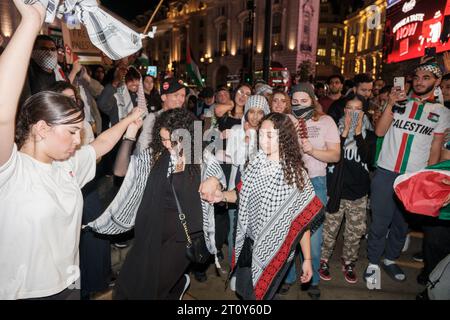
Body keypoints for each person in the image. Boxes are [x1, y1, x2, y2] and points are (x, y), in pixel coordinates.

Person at [0, 0, 144, 299]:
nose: (79, 140)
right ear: (41, 129)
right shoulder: (11, 171)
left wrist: (131, 118)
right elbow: (2, 114)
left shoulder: (67, 165)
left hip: (70, 287)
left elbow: (100, 144)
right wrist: (32, 20)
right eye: (72, 132)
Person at [87, 108, 225, 299]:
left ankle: (177, 285)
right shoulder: (158, 155)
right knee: (129, 283)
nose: (167, 144)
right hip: (151, 232)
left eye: (173, 140)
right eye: (163, 139)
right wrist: (130, 135)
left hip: (182, 238)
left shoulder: (199, 156)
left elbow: (217, 174)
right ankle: (177, 288)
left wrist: (215, 181)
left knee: (153, 289)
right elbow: (120, 171)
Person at [211, 113, 322, 300]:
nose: (263, 140)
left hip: (277, 251)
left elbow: (302, 223)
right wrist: (220, 195)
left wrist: (307, 260)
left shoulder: (295, 175)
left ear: (284, 137)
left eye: (270, 135)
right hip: (249, 243)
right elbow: (240, 194)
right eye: (261, 134)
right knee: (245, 291)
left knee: (259, 295)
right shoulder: (254, 163)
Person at [365, 60, 450, 287]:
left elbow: (436, 146)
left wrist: (427, 178)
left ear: (437, 81)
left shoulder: (441, 111)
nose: (420, 82)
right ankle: (373, 261)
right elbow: (380, 131)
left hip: (413, 177)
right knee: (380, 222)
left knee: (402, 224)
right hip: (385, 172)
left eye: (427, 78)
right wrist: (390, 104)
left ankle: (390, 259)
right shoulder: (399, 102)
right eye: (418, 77)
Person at [281, 82, 341, 299]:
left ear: (313, 100)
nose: (299, 105)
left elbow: (335, 155)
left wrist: (312, 150)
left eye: (304, 101)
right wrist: (289, 138)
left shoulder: (326, 122)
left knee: (314, 237)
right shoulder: (287, 120)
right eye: (295, 101)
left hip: (315, 182)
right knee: (288, 234)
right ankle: (287, 277)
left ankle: (313, 279)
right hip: (288, 182)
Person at [320, 95, 376, 284]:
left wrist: (358, 132)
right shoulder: (333, 130)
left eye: (357, 109)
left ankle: (349, 261)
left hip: (358, 192)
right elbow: (334, 156)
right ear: (344, 110)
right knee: (329, 229)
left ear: (363, 112)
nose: (353, 112)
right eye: (349, 108)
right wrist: (344, 134)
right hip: (336, 190)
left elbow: (368, 158)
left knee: (354, 231)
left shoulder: (369, 133)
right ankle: (324, 259)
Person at [134, 77, 188, 154]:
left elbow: (196, 153)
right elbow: (142, 148)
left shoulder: (188, 118)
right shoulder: (152, 118)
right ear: (164, 97)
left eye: (183, 96)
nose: (180, 99)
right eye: (176, 95)